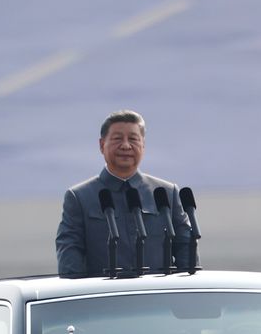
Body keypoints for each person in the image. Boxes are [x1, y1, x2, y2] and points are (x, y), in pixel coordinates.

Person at [55, 110, 192, 277]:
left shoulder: (166, 194)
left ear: (143, 145)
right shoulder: (79, 197)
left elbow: (186, 251)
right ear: (101, 145)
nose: (126, 146)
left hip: (157, 298)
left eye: (133, 139)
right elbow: (70, 258)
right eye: (117, 139)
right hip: (104, 300)